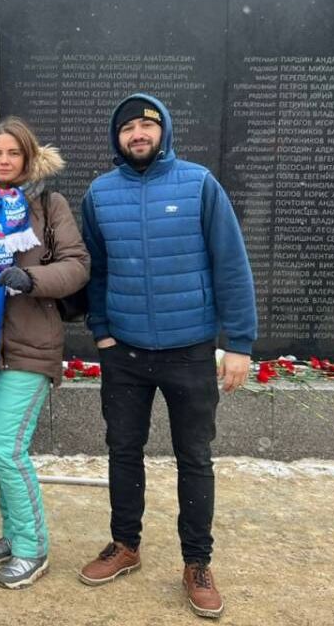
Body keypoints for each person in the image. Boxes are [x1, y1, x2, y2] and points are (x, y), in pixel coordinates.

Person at [79, 94, 255, 619]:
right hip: (125, 354)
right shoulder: (99, 194)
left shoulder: (199, 184)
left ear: (164, 131)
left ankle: (197, 562)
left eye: (146, 125)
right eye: (127, 127)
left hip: (190, 350)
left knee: (194, 458)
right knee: (123, 451)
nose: (137, 134)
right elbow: (98, 269)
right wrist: (103, 332)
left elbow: (231, 264)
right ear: (117, 138)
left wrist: (239, 344)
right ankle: (124, 544)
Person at [0, 117, 89, 590]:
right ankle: (14, 532)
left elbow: (77, 266)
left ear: (29, 158)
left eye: (13, 153)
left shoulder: (48, 205)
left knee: (6, 446)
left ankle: (33, 548)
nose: (4, 161)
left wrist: (31, 279)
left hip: (32, 344)